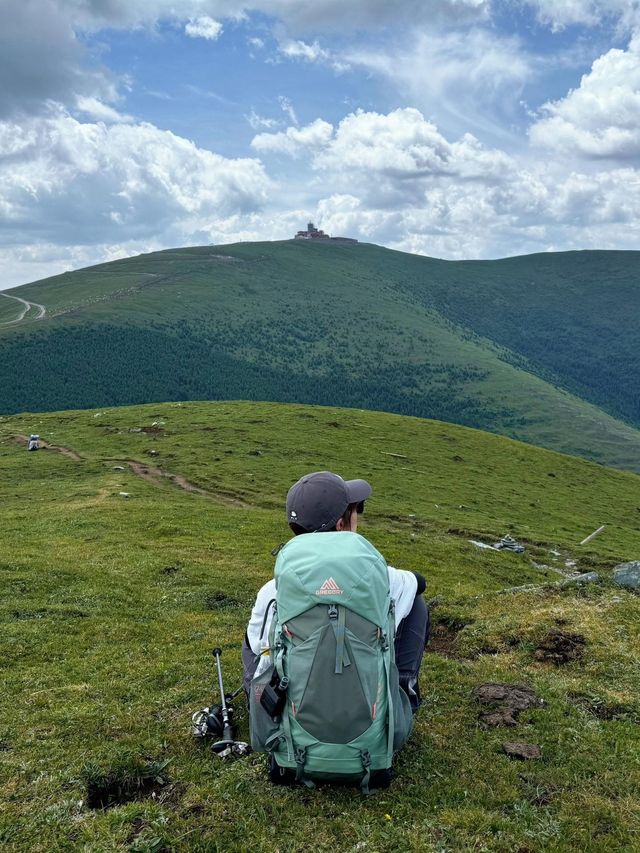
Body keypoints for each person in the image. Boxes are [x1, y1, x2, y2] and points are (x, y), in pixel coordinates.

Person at [242, 470, 429, 712]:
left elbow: (259, 655)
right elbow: (419, 582)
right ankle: (401, 697)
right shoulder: (384, 579)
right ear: (341, 525)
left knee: (252, 641)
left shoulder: (272, 591)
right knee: (416, 605)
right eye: (355, 511)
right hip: (368, 725)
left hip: (293, 727)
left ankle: (264, 708)